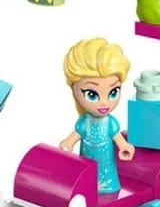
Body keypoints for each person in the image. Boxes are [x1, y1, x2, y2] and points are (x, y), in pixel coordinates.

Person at [58, 38, 135, 194]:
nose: (104, 102)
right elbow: (75, 135)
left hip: (106, 159)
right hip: (87, 158)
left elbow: (118, 138)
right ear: (74, 90)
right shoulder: (84, 122)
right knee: (86, 181)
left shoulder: (110, 122)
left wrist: (124, 147)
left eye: (113, 92)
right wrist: (68, 143)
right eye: (92, 95)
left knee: (106, 179)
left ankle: (107, 191)